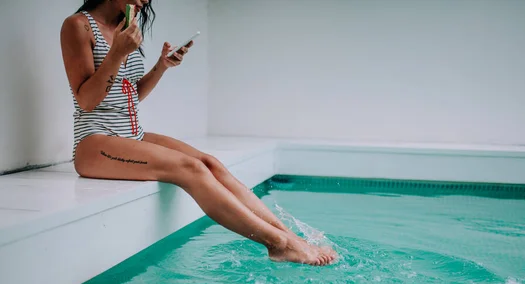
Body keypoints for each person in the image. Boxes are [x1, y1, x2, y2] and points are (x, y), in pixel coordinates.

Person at [60, 0, 337, 266]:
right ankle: (278, 244)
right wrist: (118, 53)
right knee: (190, 168)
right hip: (94, 143)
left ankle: (289, 236)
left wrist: (161, 66)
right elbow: (87, 100)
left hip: (130, 135)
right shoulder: (78, 26)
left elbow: (129, 97)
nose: (146, 0)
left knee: (209, 162)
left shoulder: (125, 26)